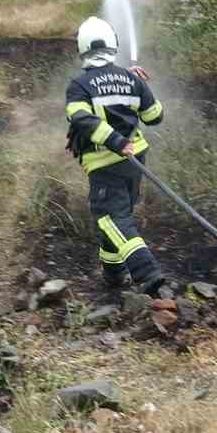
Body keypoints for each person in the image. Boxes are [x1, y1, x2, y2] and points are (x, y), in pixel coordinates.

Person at [64, 17, 171, 296]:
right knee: (117, 215)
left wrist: (114, 141)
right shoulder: (131, 77)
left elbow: (79, 118)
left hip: (104, 162)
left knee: (110, 218)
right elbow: (155, 116)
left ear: (83, 48)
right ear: (113, 45)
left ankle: (148, 274)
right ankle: (112, 273)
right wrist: (140, 86)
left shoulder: (80, 84)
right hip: (136, 159)